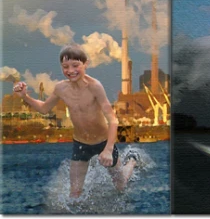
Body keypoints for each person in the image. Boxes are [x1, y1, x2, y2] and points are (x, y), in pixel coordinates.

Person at [13, 44, 139, 198]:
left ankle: (131, 161)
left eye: (75, 65)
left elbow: (113, 120)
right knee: (75, 193)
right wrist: (25, 97)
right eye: (65, 66)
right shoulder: (60, 88)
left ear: (85, 64)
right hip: (80, 144)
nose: (70, 71)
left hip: (103, 142)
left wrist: (108, 149)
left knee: (120, 185)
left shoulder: (95, 87)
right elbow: (44, 108)